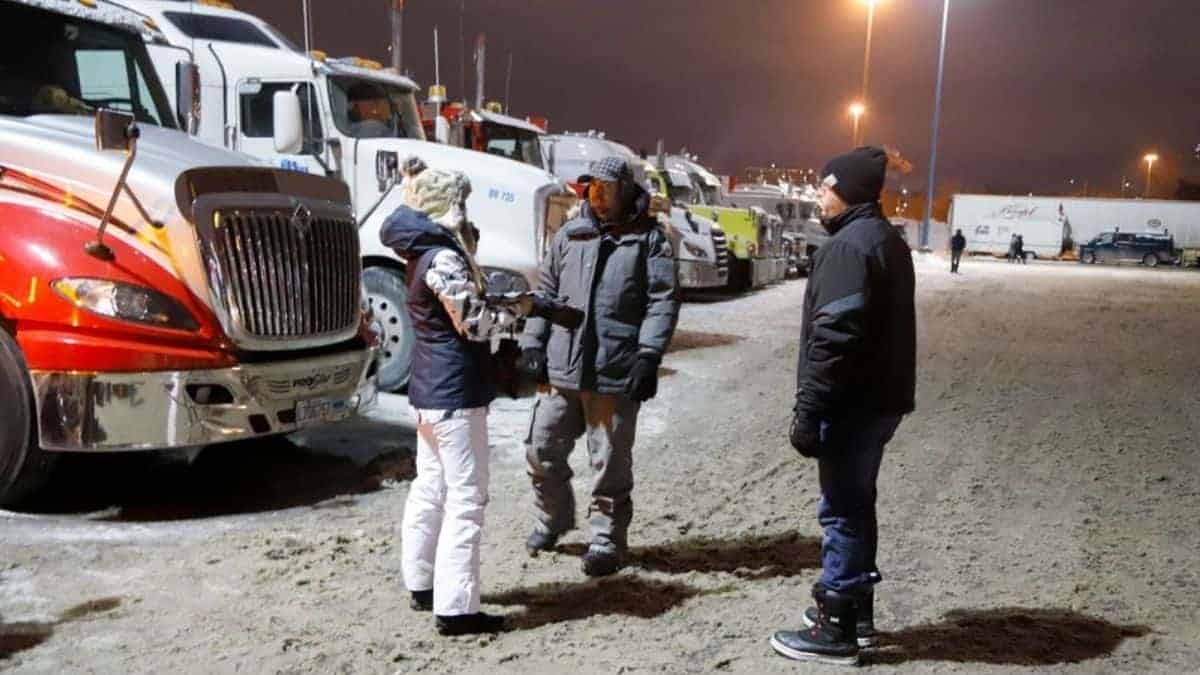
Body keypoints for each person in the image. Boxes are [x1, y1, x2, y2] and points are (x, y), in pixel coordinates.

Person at [380, 158, 580, 636]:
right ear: (445, 205)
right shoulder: (443, 256)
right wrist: (522, 313)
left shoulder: (420, 252)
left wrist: (519, 304)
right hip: (455, 393)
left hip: (431, 391)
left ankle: (423, 582)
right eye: (460, 201)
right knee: (466, 498)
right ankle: (455, 608)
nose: (465, 210)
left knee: (431, 488)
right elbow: (474, 322)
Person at [773, 147, 916, 665]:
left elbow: (834, 337)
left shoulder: (848, 248)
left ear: (847, 191)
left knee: (841, 511)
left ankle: (837, 627)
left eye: (824, 186)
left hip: (852, 402)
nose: (817, 194)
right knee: (857, 502)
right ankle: (856, 612)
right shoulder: (884, 239)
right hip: (879, 400)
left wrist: (809, 410)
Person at [518, 156, 680, 577]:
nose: (598, 196)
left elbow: (662, 301)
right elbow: (547, 292)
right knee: (541, 448)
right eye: (592, 188)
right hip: (563, 367)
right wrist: (533, 341)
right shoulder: (571, 235)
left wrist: (648, 355)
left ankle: (606, 537)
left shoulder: (649, 240)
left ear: (625, 190)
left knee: (608, 462)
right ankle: (553, 519)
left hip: (614, 371)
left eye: (606, 188)